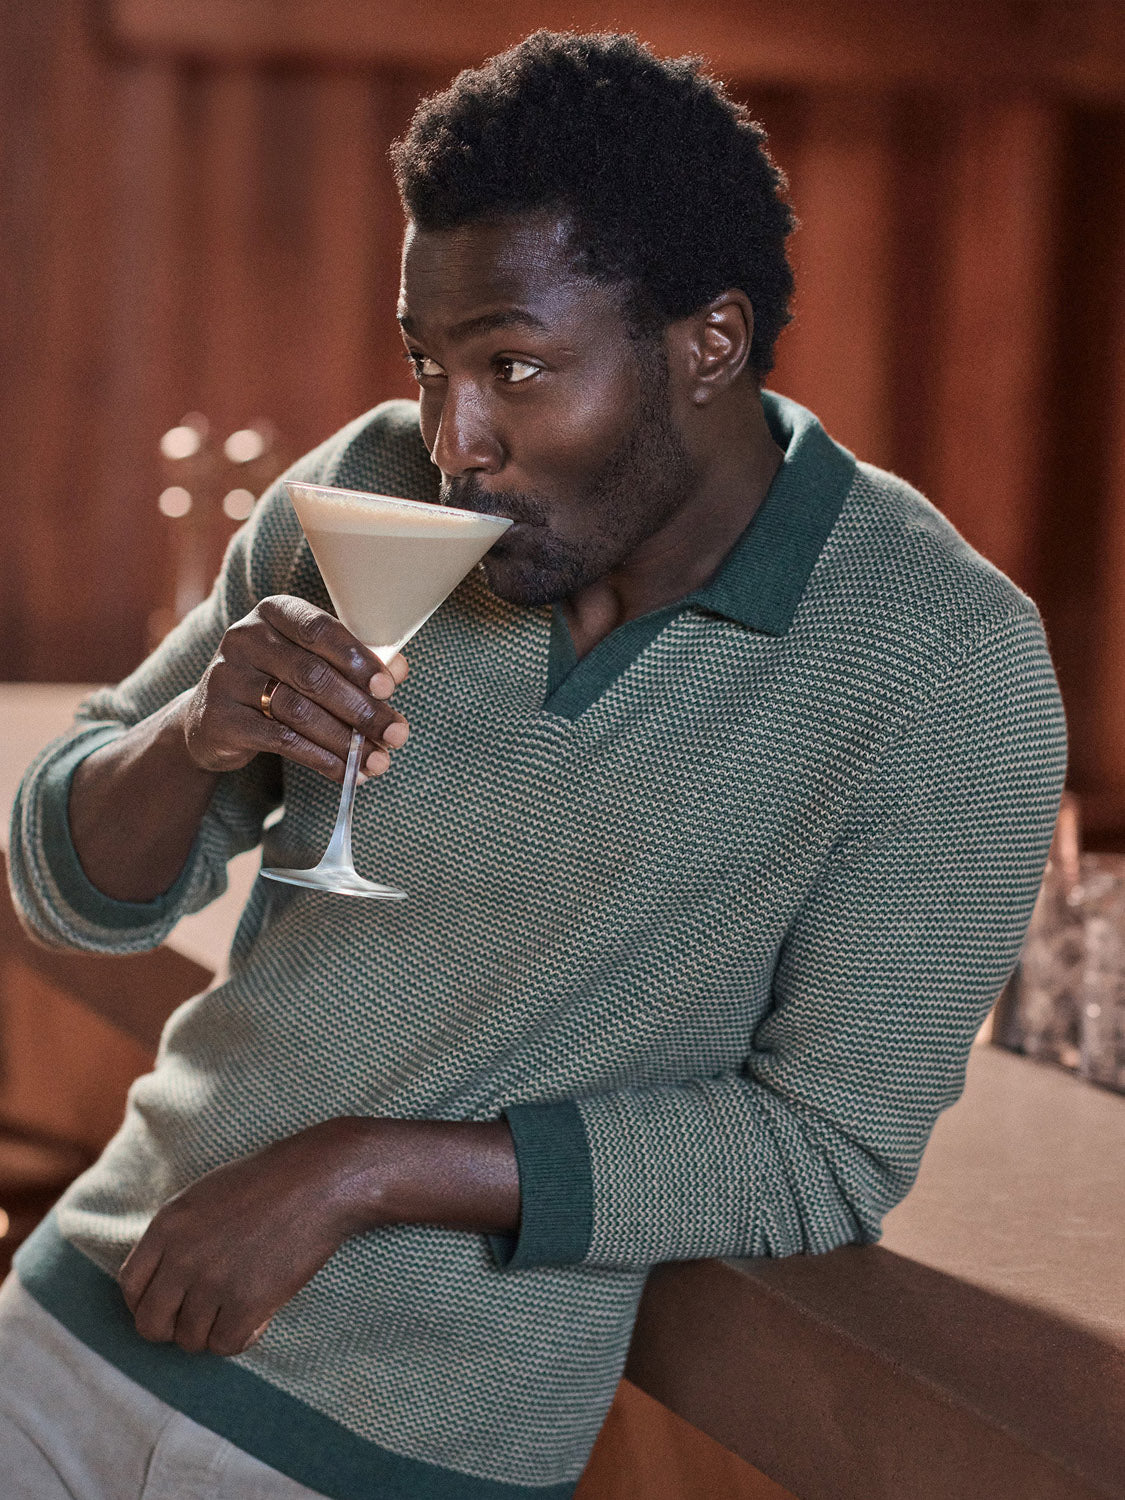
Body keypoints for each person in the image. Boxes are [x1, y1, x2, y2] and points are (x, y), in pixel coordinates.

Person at [3, 29, 1066, 1500]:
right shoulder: (369, 486)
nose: (453, 438)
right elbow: (71, 887)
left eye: (514, 365)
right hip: (69, 1329)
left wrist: (361, 1170)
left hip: (400, 1458)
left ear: (708, 342)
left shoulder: (942, 658)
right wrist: (198, 739)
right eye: (429, 365)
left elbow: (825, 1154)